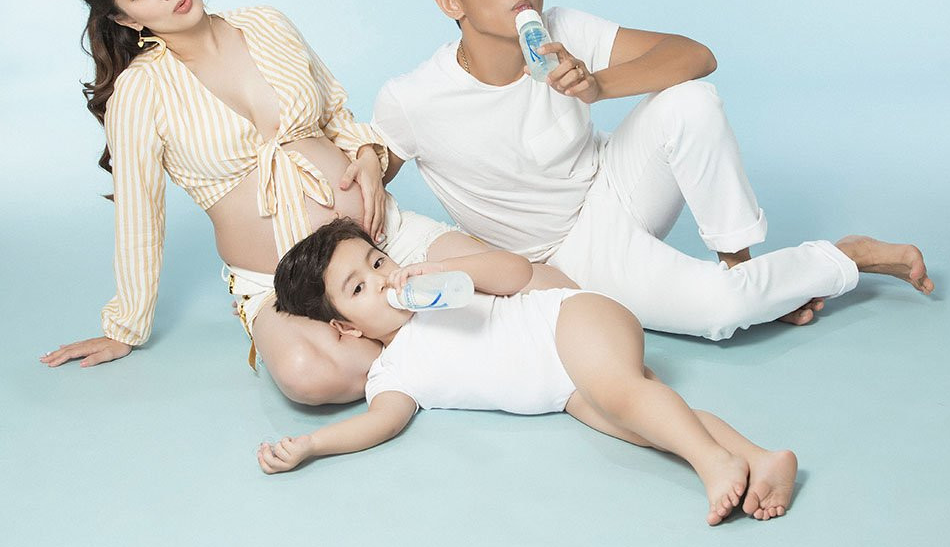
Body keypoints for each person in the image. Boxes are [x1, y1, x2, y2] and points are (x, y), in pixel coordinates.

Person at [41, 0, 571, 405]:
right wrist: (125, 327)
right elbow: (139, 216)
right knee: (309, 375)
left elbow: (337, 114)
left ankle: (414, 337)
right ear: (125, 17)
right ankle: (452, 343)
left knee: (549, 289)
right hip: (281, 284)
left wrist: (367, 154)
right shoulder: (138, 93)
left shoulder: (266, 23)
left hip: (379, 241)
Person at [372, 0, 935, 339]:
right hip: (568, 255)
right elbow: (369, 185)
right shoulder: (413, 99)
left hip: (618, 186)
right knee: (721, 314)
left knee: (691, 99)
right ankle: (842, 258)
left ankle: (742, 268)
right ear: (451, 2)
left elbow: (696, 55)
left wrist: (599, 86)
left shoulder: (564, 28)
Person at [258, 217, 803, 525]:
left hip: (569, 320)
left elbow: (517, 271)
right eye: (359, 288)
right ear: (346, 327)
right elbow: (381, 421)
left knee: (624, 394)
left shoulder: (444, 292)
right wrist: (314, 445)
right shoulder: (392, 371)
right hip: (565, 390)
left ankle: (713, 464)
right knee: (644, 422)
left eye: (378, 262)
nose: (381, 280)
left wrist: (445, 268)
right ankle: (759, 458)